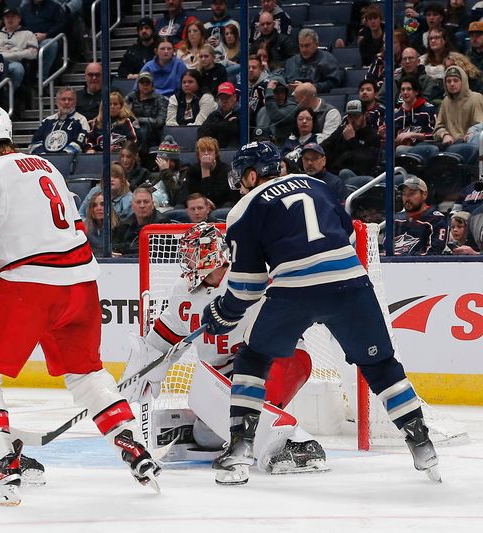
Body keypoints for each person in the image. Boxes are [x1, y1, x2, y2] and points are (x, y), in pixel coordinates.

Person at [0, 106, 161, 505]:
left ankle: (0, 468)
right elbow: (72, 226)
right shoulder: (47, 168)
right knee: (86, 374)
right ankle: (133, 446)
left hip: (31, 285)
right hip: (81, 283)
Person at [200, 141, 440, 484]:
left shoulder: (245, 207)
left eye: (241, 179)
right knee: (380, 365)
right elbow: (345, 237)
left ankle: (239, 451)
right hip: (351, 283)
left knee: (253, 359)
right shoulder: (318, 185)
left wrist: (223, 312)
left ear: (251, 175)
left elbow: (248, 284)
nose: (240, 186)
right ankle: (422, 444)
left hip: (294, 292)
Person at [123, 223, 329, 473]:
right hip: (225, 377)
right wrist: (144, 366)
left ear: (210, 255)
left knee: (248, 420)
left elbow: (292, 311)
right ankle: (252, 435)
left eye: (192, 255)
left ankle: (300, 444)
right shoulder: (183, 292)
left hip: (277, 358)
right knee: (205, 437)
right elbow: (159, 343)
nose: (187, 262)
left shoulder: (250, 277)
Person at [321, 100, 381, 178]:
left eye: (356, 116)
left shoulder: (373, 135)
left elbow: (366, 163)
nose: (352, 120)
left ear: (365, 115)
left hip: (358, 176)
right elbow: (325, 147)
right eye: (350, 116)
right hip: (335, 174)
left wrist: (351, 140)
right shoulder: (342, 130)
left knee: (345, 173)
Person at [393, 175, 447, 256]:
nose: (407, 198)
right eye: (404, 194)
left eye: (412, 193)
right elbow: (385, 248)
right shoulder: (396, 219)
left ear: (424, 195)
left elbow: (434, 253)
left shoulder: (436, 219)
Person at [28, 86, 90, 155]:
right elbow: (34, 144)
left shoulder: (81, 120)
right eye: (63, 99)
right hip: (46, 162)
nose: (66, 102)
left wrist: (61, 157)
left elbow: (80, 143)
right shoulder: (47, 121)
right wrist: (45, 156)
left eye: (70, 99)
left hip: (69, 161)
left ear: (75, 102)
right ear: (57, 102)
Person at [182, 136, 237, 210]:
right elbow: (185, 195)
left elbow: (218, 197)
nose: (206, 154)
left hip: (220, 207)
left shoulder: (226, 171)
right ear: (198, 155)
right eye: (203, 151)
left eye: (210, 150)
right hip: (196, 208)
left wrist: (205, 170)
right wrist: (203, 202)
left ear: (216, 154)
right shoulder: (192, 171)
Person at [113, 186, 170, 256]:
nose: (142, 205)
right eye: (138, 202)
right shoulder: (125, 224)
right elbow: (115, 246)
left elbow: (154, 251)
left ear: (152, 204)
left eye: (146, 202)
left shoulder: (162, 223)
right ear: (132, 205)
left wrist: (124, 251)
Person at [283, 28, 341, 94]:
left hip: (317, 97)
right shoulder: (291, 62)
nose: (303, 50)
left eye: (307, 46)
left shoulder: (327, 60)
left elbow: (333, 83)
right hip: (291, 99)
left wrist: (308, 87)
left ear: (316, 44)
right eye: (301, 46)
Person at [125, 72, 168, 148]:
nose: (145, 85)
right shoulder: (130, 98)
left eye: (147, 83)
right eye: (142, 82)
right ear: (138, 84)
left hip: (153, 134)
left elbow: (159, 121)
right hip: (133, 130)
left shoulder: (160, 99)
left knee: (143, 132)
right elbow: (124, 115)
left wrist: (139, 120)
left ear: (152, 85)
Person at [197, 82, 240, 148]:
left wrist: (215, 126)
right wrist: (227, 124)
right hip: (216, 152)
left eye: (227, 97)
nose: (224, 101)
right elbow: (201, 132)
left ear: (235, 97)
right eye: (221, 98)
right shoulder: (214, 115)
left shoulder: (243, 113)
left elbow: (237, 129)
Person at [84, 191, 121, 257]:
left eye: (103, 204)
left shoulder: (121, 227)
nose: (99, 208)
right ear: (91, 210)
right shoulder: (84, 230)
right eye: (94, 205)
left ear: (110, 207)